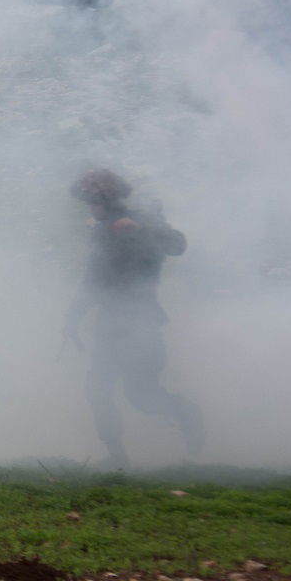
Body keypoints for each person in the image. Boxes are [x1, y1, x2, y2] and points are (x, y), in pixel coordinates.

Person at [64, 168, 203, 469]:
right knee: (98, 389)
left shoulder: (143, 220)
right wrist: (71, 320)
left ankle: (185, 413)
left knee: (141, 396)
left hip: (141, 321)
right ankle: (116, 457)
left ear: (107, 200)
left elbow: (177, 245)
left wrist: (141, 229)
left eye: (92, 202)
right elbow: (93, 280)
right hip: (111, 322)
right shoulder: (102, 229)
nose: (89, 208)